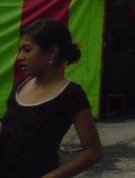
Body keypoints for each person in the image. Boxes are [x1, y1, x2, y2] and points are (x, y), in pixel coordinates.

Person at [0, 20, 102, 177]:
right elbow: (8, 129)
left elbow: (93, 151)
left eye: (27, 50)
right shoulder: (20, 86)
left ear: (52, 52)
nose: (20, 57)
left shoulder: (70, 94)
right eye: (20, 51)